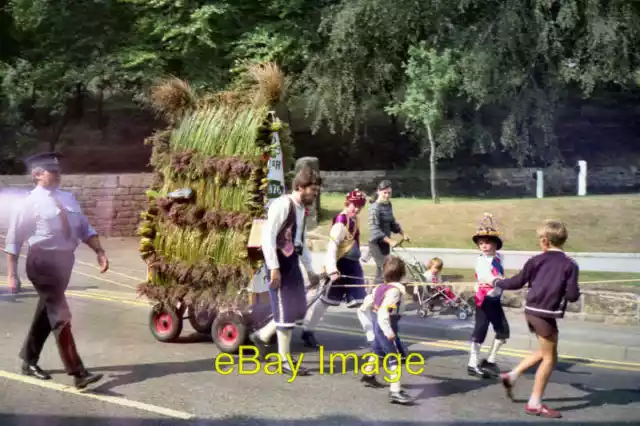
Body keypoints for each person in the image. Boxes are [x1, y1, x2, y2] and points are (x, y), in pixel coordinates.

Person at [3, 152, 107, 389]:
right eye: (53, 171)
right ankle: (78, 372)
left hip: (65, 262)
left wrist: (99, 251)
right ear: (38, 175)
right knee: (60, 315)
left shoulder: (68, 198)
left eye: (59, 170)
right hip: (42, 263)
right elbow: (14, 239)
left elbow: (85, 229)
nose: (58, 174)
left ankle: (28, 360)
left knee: (47, 313)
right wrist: (12, 274)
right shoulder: (28, 203)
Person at [492, 220, 580, 419]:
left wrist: (497, 282)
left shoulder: (535, 260)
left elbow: (516, 282)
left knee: (545, 351)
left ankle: (512, 376)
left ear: (545, 241)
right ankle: (534, 403)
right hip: (545, 315)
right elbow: (573, 295)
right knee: (550, 358)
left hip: (531, 312)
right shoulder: (570, 265)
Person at [249, 165, 321, 376]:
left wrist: (310, 270)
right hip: (278, 263)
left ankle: (261, 336)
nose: (314, 195)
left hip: (292, 263)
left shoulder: (302, 211)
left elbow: (301, 243)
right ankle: (284, 361)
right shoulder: (282, 205)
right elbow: (267, 237)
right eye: (312, 191)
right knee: (286, 312)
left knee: (299, 309)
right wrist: (274, 268)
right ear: (300, 187)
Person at [301, 189, 373, 348]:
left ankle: (372, 339)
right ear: (348, 203)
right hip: (339, 267)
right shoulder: (340, 223)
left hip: (353, 267)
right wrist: (332, 269)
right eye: (355, 205)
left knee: (361, 303)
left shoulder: (355, 219)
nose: (357, 209)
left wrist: (364, 253)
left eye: (360, 206)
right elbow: (332, 249)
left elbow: (353, 243)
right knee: (324, 302)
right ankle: (308, 331)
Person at [358, 256, 415, 405]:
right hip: (387, 326)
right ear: (402, 273)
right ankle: (395, 391)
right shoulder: (395, 292)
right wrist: (389, 333)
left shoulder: (379, 287)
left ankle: (369, 373)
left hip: (379, 325)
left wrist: (370, 323)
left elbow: (366, 304)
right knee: (394, 357)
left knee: (377, 351)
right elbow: (384, 314)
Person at [467, 213, 510, 379]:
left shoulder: (499, 257)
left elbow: (499, 273)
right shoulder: (481, 261)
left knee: (503, 331)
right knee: (480, 330)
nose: (484, 246)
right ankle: (472, 364)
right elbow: (486, 276)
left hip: (495, 299)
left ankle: (490, 361)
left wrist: (505, 282)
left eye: (487, 243)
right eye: (481, 243)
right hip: (484, 299)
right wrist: (498, 281)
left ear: (495, 244)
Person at [367, 180, 409, 288]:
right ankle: (379, 294)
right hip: (375, 244)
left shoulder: (388, 205)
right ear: (378, 192)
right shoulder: (374, 207)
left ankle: (373, 294)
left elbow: (392, 222)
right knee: (385, 268)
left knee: (380, 270)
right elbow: (375, 229)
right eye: (384, 192)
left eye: (389, 193)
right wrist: (390, 241)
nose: (387, 195)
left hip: (385, 244)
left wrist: (402, 234)